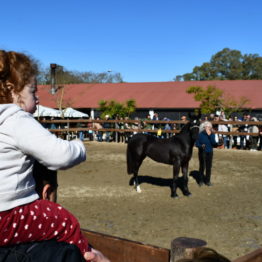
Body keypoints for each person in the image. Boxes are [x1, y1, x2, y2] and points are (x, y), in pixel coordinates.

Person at [0, 50, 109, 262]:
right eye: (32, 91)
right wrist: (79, 146)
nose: (38, 98)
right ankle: (89, 256)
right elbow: (59, 156)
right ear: (12, 91)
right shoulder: (15, 118)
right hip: (6, 215)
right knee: (63, 220)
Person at [195, 121, 218, 186]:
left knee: (209, 167)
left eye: (210, 126)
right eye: (207, 126)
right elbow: (197, 144)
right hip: (202, 152)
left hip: (210, 152)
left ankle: (208, 181)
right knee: (202, 167)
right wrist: (201, 146)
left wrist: (210, 135)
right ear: (204, 127)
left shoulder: (212, 134)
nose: (209, 128)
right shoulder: (200, 134)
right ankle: (201, 181)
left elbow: (214, 143)